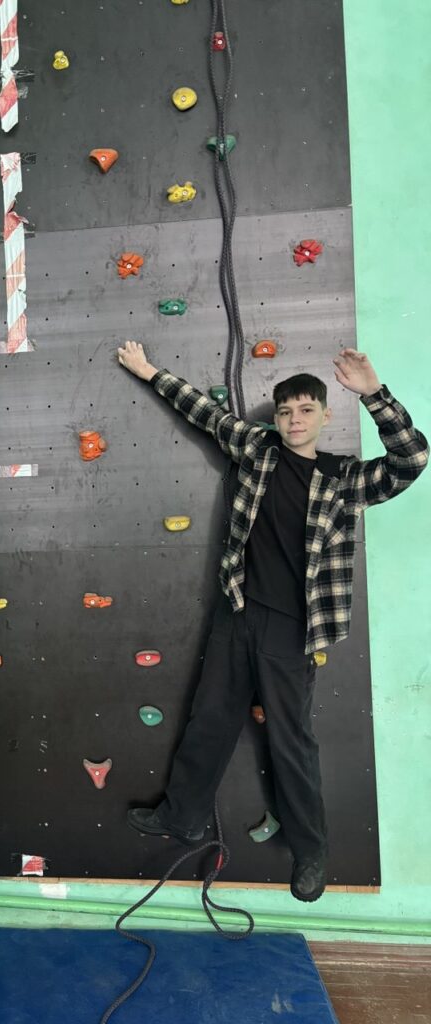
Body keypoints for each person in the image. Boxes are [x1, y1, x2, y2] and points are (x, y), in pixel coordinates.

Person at [116, 343, 428, 901]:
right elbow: (204, 412)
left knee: (291, 742)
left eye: (306, 410)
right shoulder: (258, 450)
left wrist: (374, 394)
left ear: (325, 416)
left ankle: (311, 852)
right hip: (239, 611)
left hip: (294, 629)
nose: (293, 420)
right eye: (285, 411)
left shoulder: (343, 478)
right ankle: (183, 818)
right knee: (209, 721)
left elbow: (412, 459)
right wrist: (148, 371)